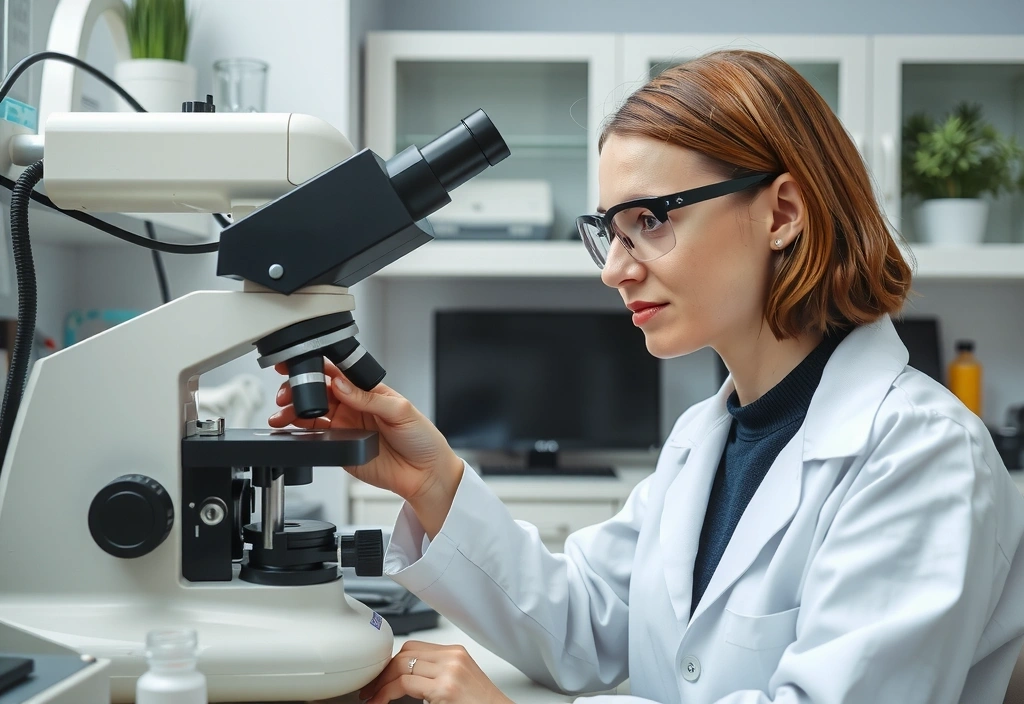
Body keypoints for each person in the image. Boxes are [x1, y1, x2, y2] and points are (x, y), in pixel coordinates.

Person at [269, 50, 1024, 704]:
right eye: (609, 231)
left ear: (783, 212)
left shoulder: (923, 457)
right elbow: (583, 623)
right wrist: (431, 481)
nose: (616, 270)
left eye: (652, 220)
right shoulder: (708, 437)